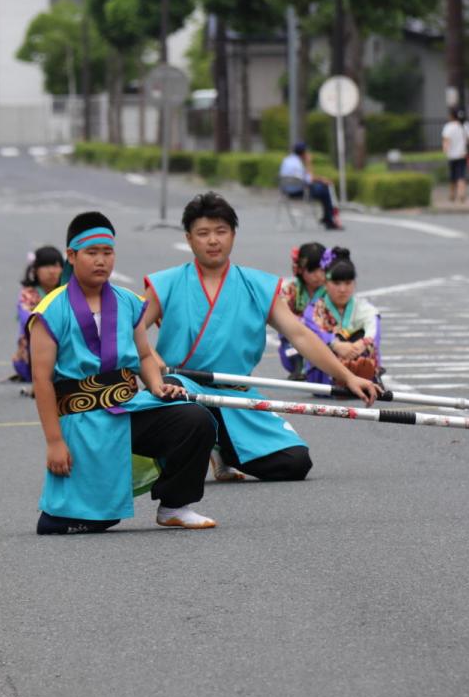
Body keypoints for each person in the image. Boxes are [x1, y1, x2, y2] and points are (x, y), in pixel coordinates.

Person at [142, 192, 380, 482]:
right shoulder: (164, 284)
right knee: (185, 404)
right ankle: (206, 442)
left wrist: (347, 376)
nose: (213, 240)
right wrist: (157, 371)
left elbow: (300, 335)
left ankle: (221, 447)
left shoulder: (258, 285)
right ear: (189, 239)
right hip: (182, 390)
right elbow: (131, 333)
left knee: (295, 463)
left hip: (235, 395)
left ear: (233, 235)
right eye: (203, 233)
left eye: (221, 231)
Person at [27, 212, 218, 534]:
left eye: (107, 252)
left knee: (194, 419)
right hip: (82, 419)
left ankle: (175, 505)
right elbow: (42, 381)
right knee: (78, 522)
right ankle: (76, 510)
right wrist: (54, 442)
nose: (101, 261)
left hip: (127, 408)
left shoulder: (128, 302)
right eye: (91, 253)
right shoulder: (50, 311)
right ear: (71, 257)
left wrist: (157, 386)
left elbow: (144, 355)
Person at [301, 247, 381, 384]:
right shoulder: (314, 310)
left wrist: (360, 345)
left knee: (366, 344)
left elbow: (373, 331)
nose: (342, 289)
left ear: (354, 283)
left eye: (348, 283)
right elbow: (312, 335)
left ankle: (358, 374)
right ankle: (347, 376)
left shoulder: (365, 308)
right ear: (325, 284)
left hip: (357, 356)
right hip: (324, 370)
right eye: (336, 283)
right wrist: (335, 345)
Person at [11, 246, 64, 383]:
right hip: (33, 352)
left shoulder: (66, 291)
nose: (52, 271)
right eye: (46, 266)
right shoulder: (29, 294)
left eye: (56, 266)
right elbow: (29, 319)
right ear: (35, 270)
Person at [278, 242, 327, 379]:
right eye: (312, 271)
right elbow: (282, 315)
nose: (318, 275)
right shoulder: (291, 290)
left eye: (322, 270)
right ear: (300, 269)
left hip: (326, 335)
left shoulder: (331, 290)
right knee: (288, 329)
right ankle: (298, 366)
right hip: (298, 337)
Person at [279, 142, 342, 230]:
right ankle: (329, 219)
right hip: (301, 192)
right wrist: (309, 163)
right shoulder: (298, 163)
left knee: (322, 187)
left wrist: (320, 179)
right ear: (304, 153)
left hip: (286, 192)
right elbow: (309, 180)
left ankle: (327, 218)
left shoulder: (286, 160)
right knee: (326, 189)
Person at [441, 107, 469, 204]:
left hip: (452, 155)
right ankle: (461, 194)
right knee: (461, 175)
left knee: (452, 176)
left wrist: (445, 150)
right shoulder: (466, 125)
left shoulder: (448, 126)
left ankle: (452, 195)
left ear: (451, 115)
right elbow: (468, 139)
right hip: (462, 154)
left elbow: (446, 141)